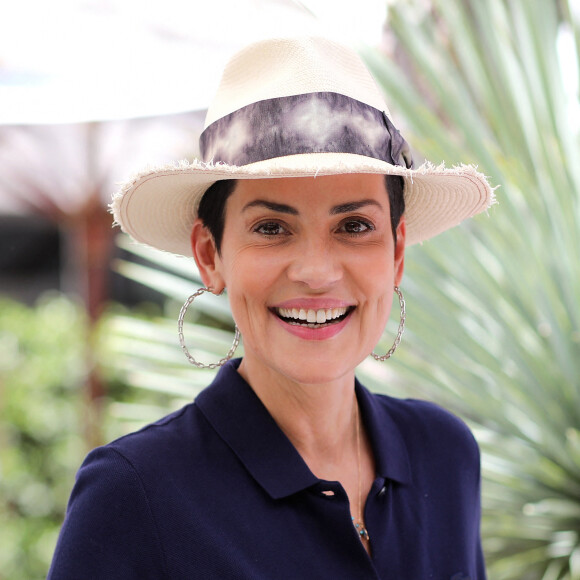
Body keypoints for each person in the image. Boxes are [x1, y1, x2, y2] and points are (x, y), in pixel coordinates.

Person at [48, 36, 494, 579]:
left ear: (397, 252)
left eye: (354, 226)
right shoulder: (136, 494)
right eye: (271, 228)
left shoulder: (444, 454)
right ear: (210, 255)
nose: (316, 271)